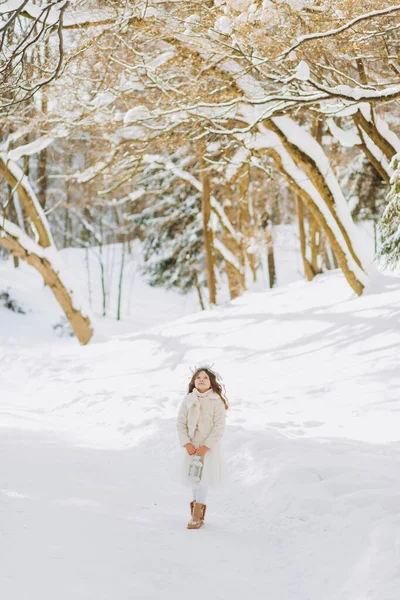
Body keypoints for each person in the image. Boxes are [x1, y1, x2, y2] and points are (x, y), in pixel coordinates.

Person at [176, 365, 228, 529]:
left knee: (204, 478)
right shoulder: (188, 399)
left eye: (205, 378)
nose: (201, 380)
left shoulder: (216, 401)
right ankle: (194, 514)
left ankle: (197, 516)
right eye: (198, 377)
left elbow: (219, 426)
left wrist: (207, 446)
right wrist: (186, 442)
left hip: (208, 447)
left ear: (211, 383)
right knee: (194, 477)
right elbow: (181, 423)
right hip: (192, 445)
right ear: (193, 382)